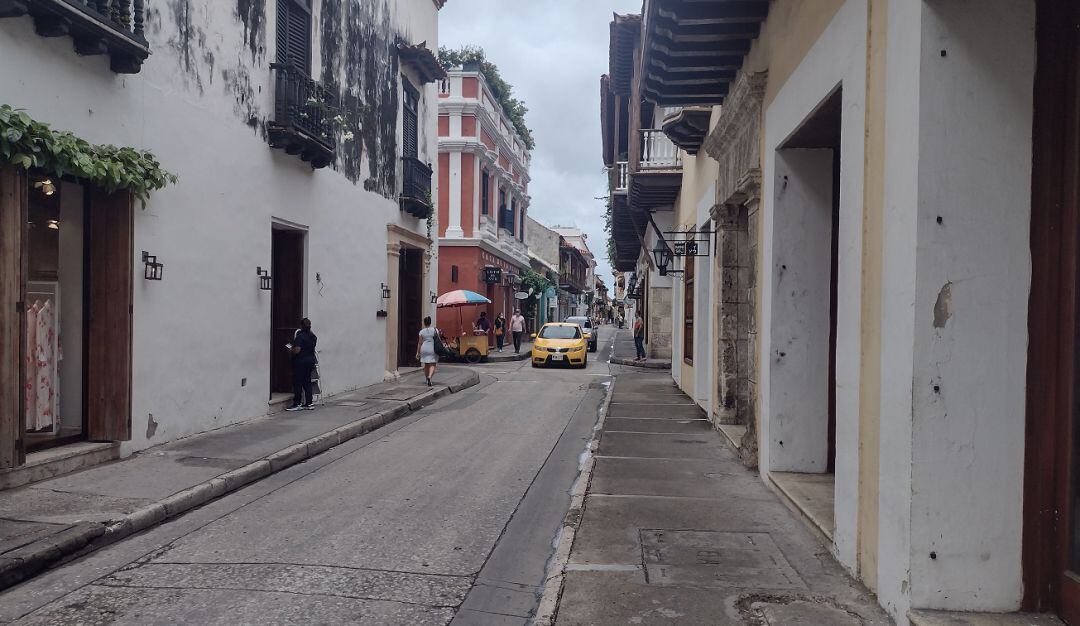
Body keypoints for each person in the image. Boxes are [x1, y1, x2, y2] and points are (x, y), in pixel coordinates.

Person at [286, 318, 318, 411]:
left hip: (300, 362)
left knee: (298, 383)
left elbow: (297, 350)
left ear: (301, 326)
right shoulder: (313, 336)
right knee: (307, 382)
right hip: (310, 361)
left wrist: (290, 350)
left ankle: (297, 403)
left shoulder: (300, 336)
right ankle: (309, 403)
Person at [416, 316, 439, 386]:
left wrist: (418, 352)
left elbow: (420, 343)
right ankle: (429, 376)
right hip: (432, 348)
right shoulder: (435, 330)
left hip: (424, 348)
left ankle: (427, 379)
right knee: (433, 364)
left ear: (424, 323)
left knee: (426, 364)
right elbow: (438, 339)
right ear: (430, 322)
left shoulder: (421, 331)